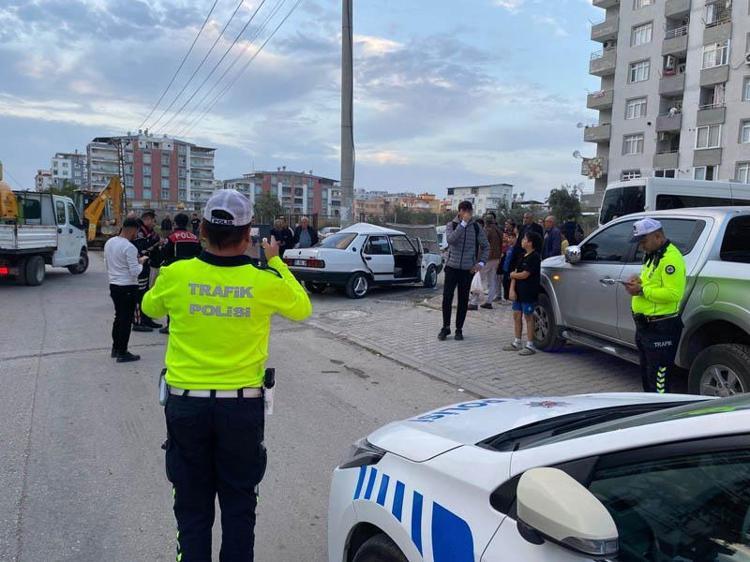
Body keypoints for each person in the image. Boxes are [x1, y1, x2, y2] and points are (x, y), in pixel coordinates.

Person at [142, 189, 312, 562]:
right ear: (248, 234)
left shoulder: (176, 274)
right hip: (241, 409)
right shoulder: (263, 280)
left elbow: (149, 306)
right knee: (239, 507)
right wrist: (277, 261)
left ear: (202, 230)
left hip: (186, 407)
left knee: (192, 508)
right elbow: (302, 308)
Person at [625, 218, 686, 394]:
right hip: (646, 326)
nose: (641, 246)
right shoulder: (653, 255)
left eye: (643, 241)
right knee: (647, 374)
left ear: (658, 236)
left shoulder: (670, 258)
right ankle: (650, 406)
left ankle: (660, 409)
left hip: (661, 328)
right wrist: (638, 281)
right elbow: (652, 282)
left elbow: (674, 294)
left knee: (659, 381)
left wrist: (642, 290)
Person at [438, 201, 489, 341]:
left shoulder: (476, 227)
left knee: (463, 300)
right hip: (452, 267)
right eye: (465, 211)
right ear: (459, 211)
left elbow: (486, 246)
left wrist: (481, 262)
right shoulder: (452, 225)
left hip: (467, 269)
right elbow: (451, 240)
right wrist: (463, 224)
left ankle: (459, 329)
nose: (467, 214)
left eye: (469, 211)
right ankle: (445, 327)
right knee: (447, 298)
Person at [104, 218, 148, 363]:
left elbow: (106, 263)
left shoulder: (110, 242)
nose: (137, 234)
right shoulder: (130, 247)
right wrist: (141, 263)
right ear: (133, 230)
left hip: (114, 285)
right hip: (128, 286)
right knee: (126, 320)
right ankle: (123, 352)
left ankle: (115, 348)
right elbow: (135, 272)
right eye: (137, 231)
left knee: (118, 317)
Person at [152, 212, 202, 334]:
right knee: (189, 299)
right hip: (192, 272)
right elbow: (200, 254)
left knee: (173, 299)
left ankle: (171, 325)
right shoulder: (194, 238)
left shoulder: (172, 237)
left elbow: (164, 253)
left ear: (175, 223)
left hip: (175, 272)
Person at [503, 230, 542, 356]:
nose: (522, 241)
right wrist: (511, 289)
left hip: (528, 292)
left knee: (529, 317)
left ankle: (530, 345)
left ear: (530, 243)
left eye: (525, 239)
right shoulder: (522, 255)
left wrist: (513, 275)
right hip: (518, 292)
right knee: (516, 315)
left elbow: (525, 274)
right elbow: (515, 273)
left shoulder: (535, 257)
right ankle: (517, 342)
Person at [132, 210, 162, 332]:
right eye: (153, 221)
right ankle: (138, 322)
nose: (154, 223)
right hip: (139, 266)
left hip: (147, 266)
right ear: (147, 219)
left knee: (145, 293)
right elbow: (141, 250)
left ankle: (146, 319)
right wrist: (155, 243)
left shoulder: (149, 232)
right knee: (139, 295)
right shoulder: (139, 232)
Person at [475, 213, 503, 309]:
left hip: (487, 258)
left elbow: (483, 246)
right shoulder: (498, 230)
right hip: (496, 258)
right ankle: (489, 302)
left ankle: (474, 302)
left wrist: (478, 259)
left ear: (486, 221)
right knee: (492, 281)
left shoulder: (486, 230)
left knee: (478, 278)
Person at [499, 226, 518, 305]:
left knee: (508, 283)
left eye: (511, 238)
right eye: (509, 238)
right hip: (505, 268)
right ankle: (506, 298)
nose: (509, 239)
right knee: (505, 283)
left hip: (511, 269)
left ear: (515, 238)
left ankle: (509, 298)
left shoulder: (517, 248)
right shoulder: (509, 247)